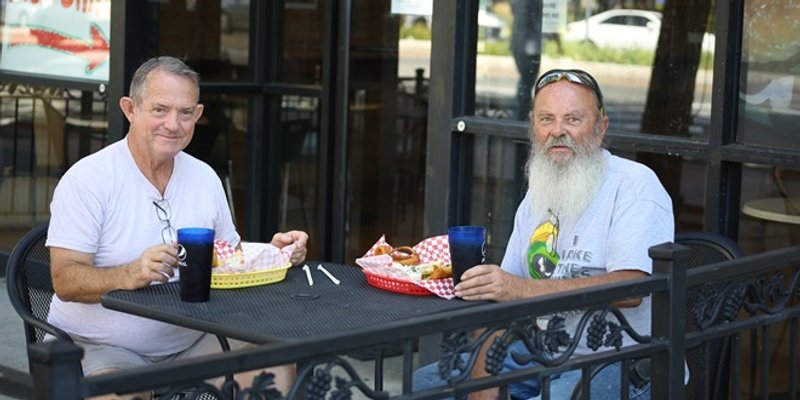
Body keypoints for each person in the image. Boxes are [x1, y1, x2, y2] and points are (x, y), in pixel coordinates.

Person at [46, 56, 309, 399]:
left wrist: (273, 254)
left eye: (185, 113)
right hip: (103, 347)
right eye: (160, 110)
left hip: (195, 340)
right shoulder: (88, 180)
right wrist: (130, 274)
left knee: (276, 364)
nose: (173, 124)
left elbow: (228, 259)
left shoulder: (204, 177)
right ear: (130, 109)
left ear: (197, 116)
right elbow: (64, 280)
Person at [414, 69, 674, 399]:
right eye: (546, 119)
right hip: (542, 354)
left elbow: (632, 286)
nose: (557, 131)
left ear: (601, 127)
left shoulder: (635, 184)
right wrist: (484, 378)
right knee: (423, 386)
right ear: (534, 128)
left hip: (621, 362)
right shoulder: (539, 192)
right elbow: (503, 296)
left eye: (573, 119)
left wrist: (522, 288)